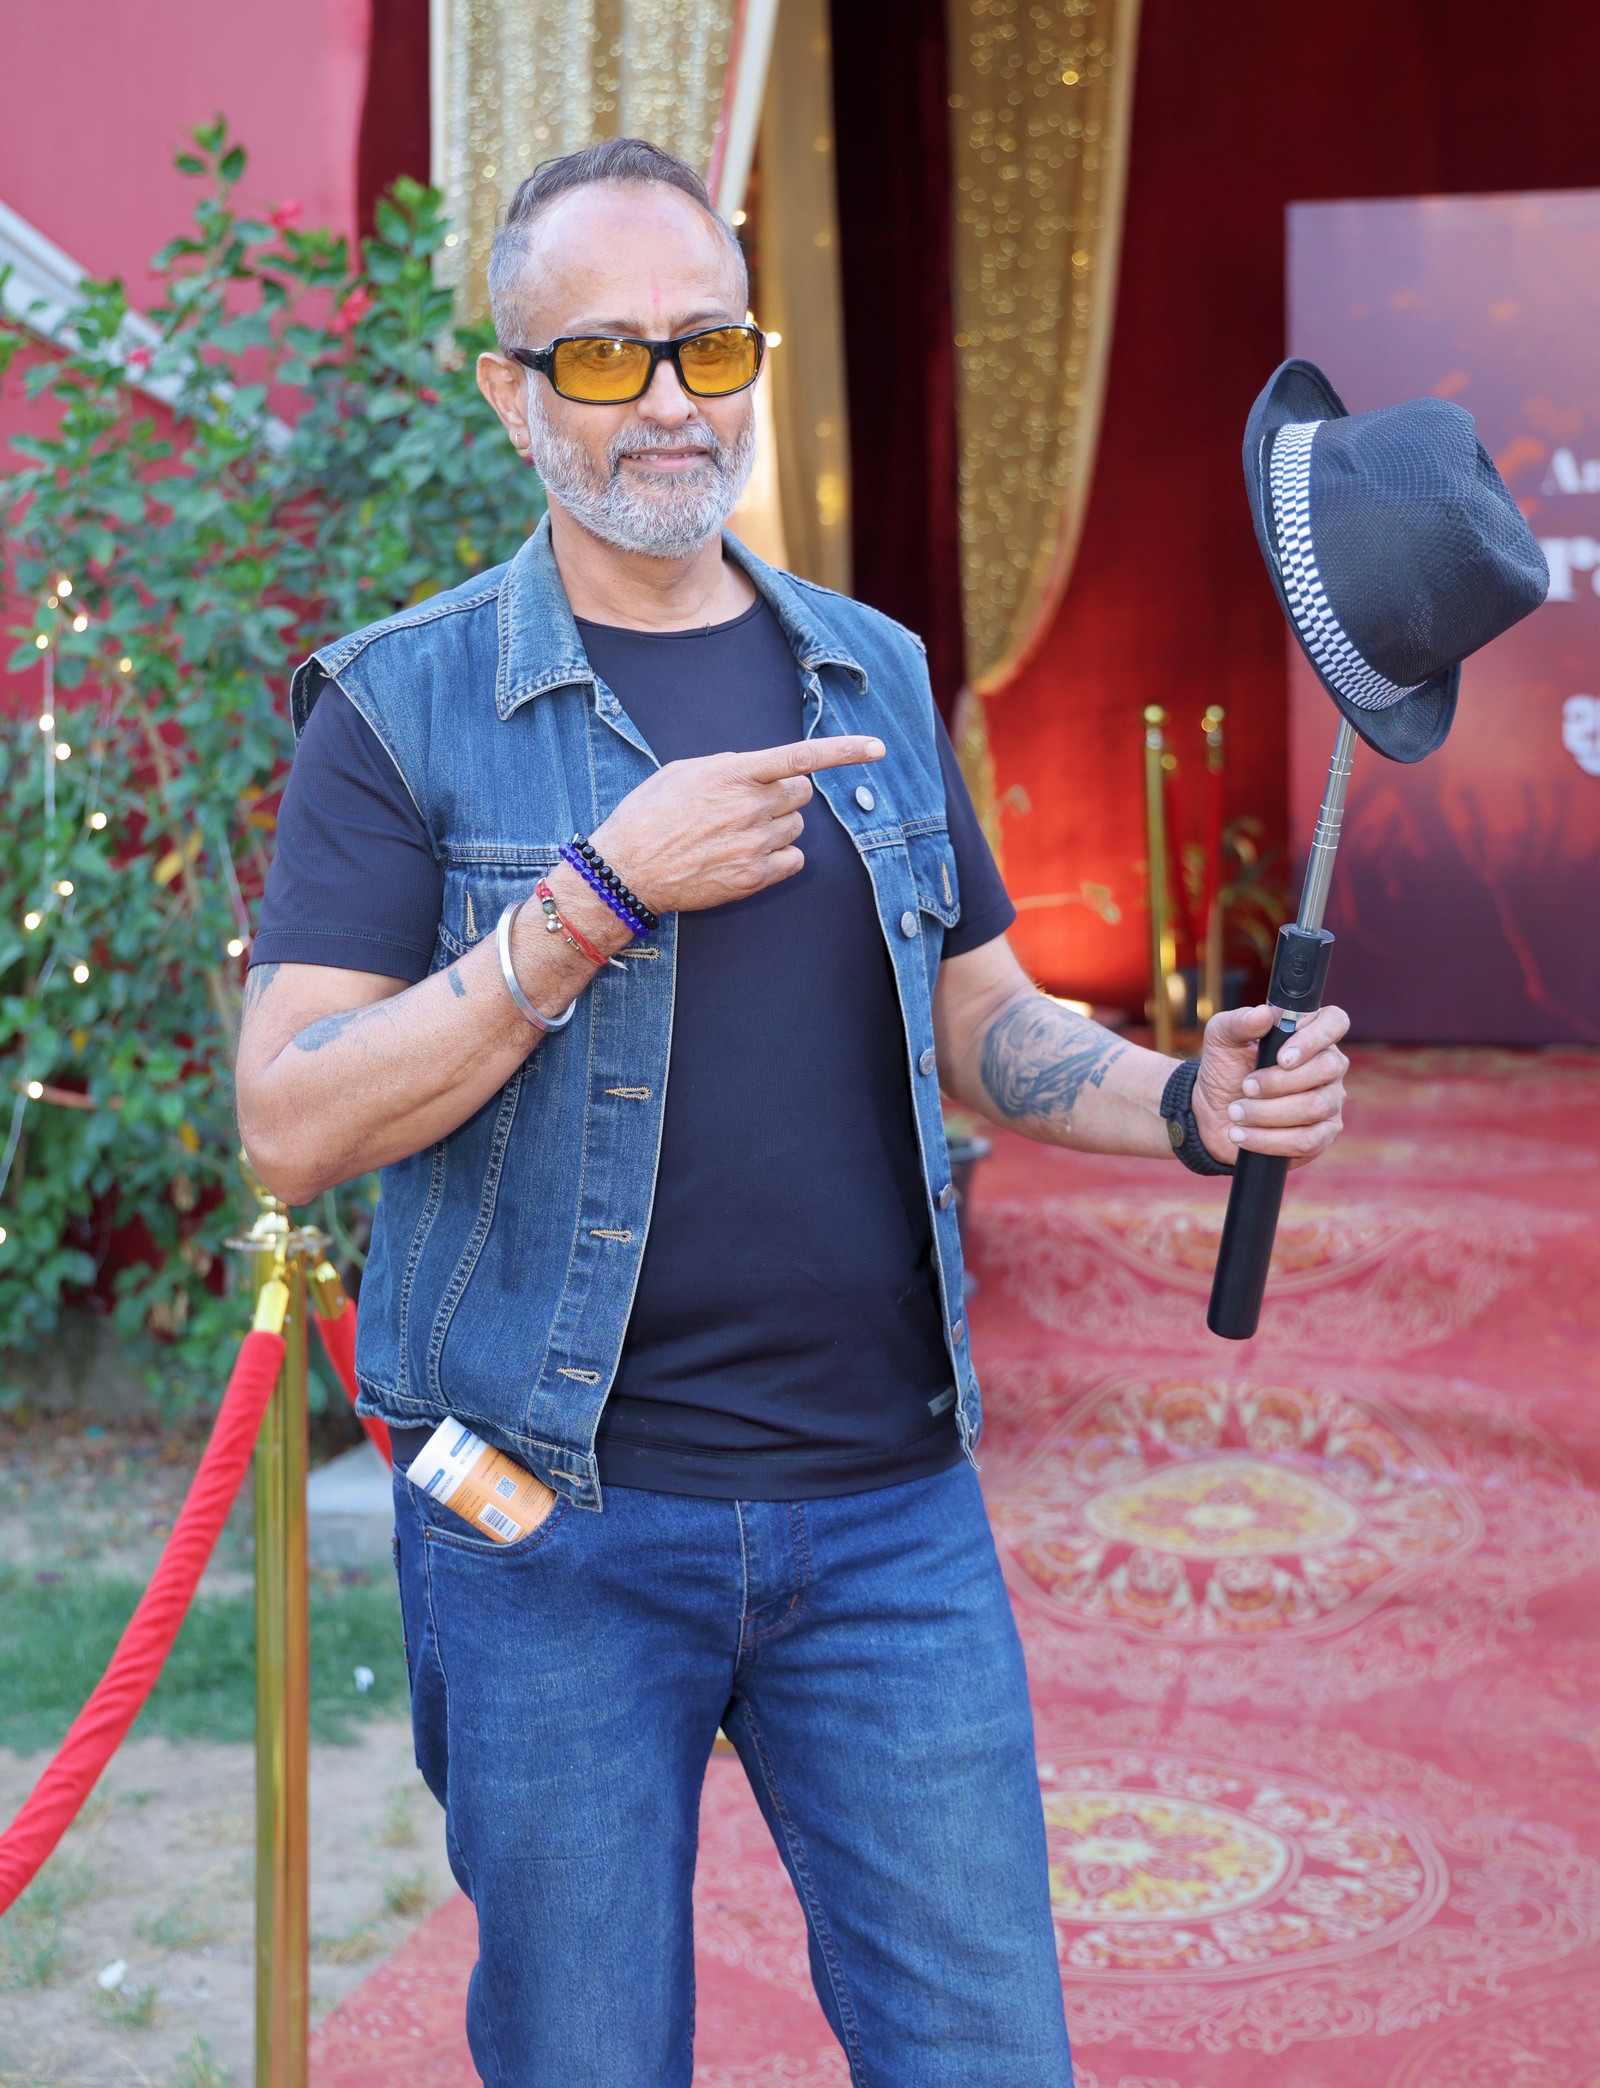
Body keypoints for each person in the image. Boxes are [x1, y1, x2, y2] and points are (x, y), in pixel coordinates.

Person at [236, 137, 1350, 2087]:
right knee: (587, 2060)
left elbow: (978, 1016)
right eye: (604, 358)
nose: (669, 399)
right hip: (548, 1534)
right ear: (508, 392)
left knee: (987, 2055)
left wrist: (1188, 1100)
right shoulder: (401, 709)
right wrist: (593, 897)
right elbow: (292, 1121)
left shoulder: (871, 671)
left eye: (708, 344)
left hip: (888, 1521)